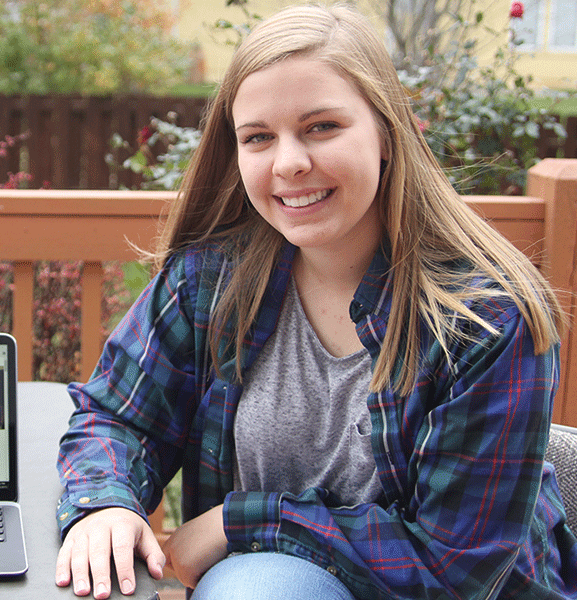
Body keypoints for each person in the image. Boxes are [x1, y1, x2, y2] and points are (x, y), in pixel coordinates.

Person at [54, 5, 577, 600]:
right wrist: (105, 505)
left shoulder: (487, 317)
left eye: (322, 126)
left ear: (386, 132)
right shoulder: (210, 283)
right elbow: (118, 415)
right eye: (258, 137)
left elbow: (454, 566)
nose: (289, 162)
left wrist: (240, 523)